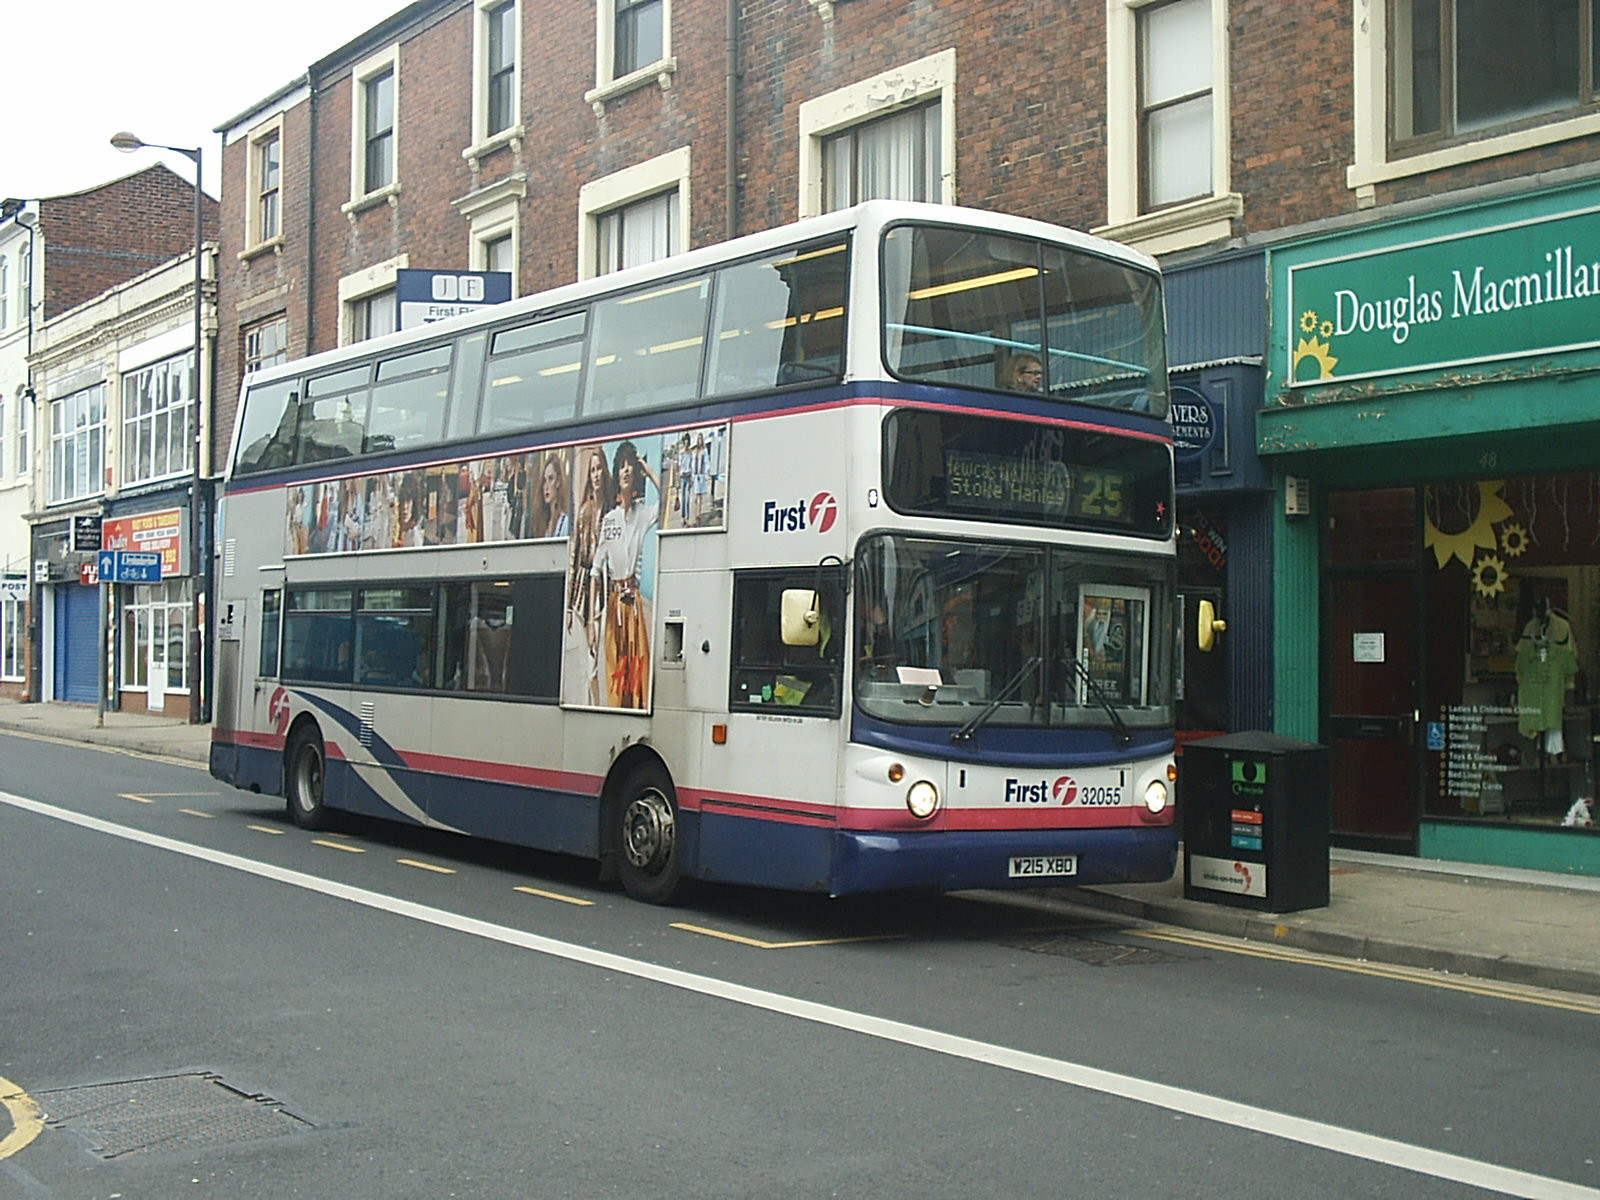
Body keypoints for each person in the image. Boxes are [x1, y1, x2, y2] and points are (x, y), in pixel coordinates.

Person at [592, 440, 660, 709]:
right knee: (616, 664)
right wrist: (591, 619)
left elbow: (666, 500)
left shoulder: (643, 515)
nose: (626, 471)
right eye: (622, 466)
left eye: (630, 466)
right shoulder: (609, 519)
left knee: (636, 665)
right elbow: (596, 568)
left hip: (633, 604)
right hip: (614, 604)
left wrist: (647, 468)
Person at [564, 445, 612, 705]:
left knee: (599, 656)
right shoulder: (585, 511)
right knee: (586, 658)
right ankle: (590, 706)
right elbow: (574, 559)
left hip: (605, 589)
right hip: (584, 590)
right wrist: (571, 604)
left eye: (599, 469)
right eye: (591, 470)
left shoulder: (611, 512)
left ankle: (595, 707)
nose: (595, 475)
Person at [538, 451, 572, 538]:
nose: (546, 487)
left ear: (558, 482)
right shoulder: (544, 523)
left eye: (550, 478)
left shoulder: (565, 523)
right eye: (544, 480)